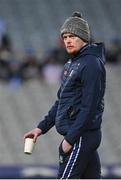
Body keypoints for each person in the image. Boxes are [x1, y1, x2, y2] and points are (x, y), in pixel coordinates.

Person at [24, 11, 106, 179]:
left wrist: (70, 139)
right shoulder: (72, 63)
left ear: (83, 37)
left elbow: (89, 107)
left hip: (81, 136)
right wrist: (40, 128)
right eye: (65, 37)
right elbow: (61, 101)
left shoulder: (91, 64)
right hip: (79, 136)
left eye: (73, 36)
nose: (68, 40)